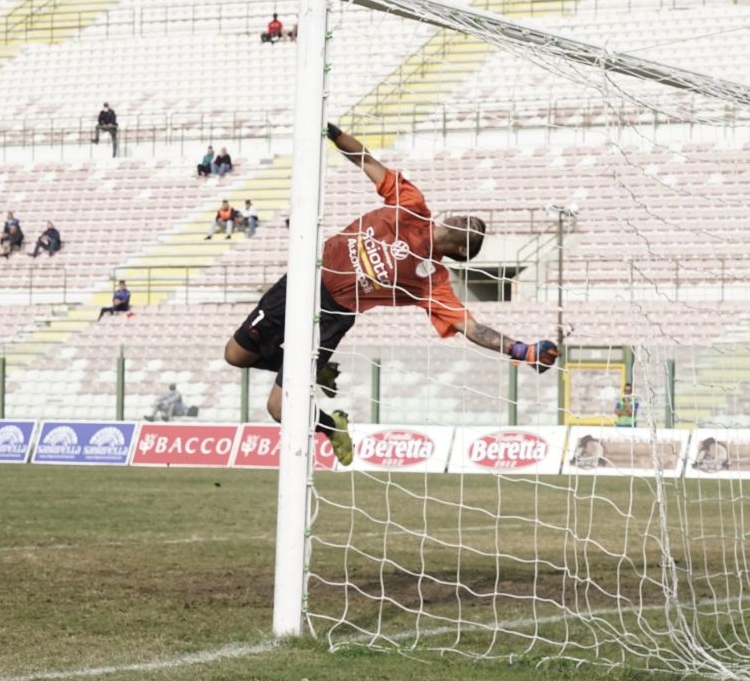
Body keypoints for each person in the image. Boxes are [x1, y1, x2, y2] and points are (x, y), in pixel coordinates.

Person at [223, 121, 559, 466]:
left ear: (460, 251)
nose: (475, 223)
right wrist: (333, 133)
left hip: (332, 315)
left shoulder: (433, 280)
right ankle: (316, 371)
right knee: (235, 355)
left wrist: (522, 349)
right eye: (472, 220)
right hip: (307, 276)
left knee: (278, 409)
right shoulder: (412, 204)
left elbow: (469, 327)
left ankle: (331, 427)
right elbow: (367, 161)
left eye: (477, 232)